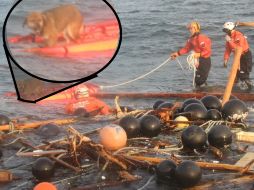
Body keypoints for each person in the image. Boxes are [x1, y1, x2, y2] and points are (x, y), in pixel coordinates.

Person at [170, 21, 212, 88]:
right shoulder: (191, 39)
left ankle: (204, 92)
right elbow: (186, 48)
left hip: (204, 60)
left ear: (195, 28)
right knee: (198, 79)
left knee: (200, 80)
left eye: (191, 28)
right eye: (189, 29)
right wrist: (177, 53)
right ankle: (202, 90)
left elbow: (207, 51)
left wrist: (199, 54)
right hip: (197, 61)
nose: (189, 30)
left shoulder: (201, 38)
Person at [222, 22, 253, 90]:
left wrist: (230, 41)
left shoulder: (238, 36)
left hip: (245, 56)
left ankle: (249, 90)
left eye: (226, 30)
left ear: (230, 29)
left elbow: (239, 49)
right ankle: (236, 90)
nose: (225, 32)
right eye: (224, 31)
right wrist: (225, 60)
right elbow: (228, 50)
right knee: (236, 75)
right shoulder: (229, 37)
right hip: (238, 57)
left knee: (244, 75)